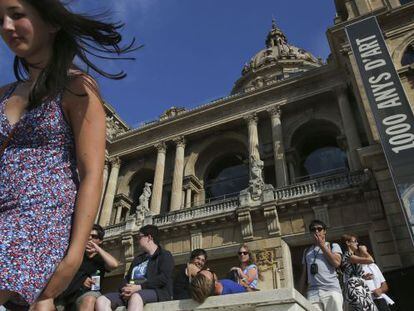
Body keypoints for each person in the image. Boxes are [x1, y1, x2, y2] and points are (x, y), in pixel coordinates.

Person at [0, 0, 135, 309]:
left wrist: (74, 256)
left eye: (17, 15)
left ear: (52, 23)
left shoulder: (77, 87)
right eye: (0, 20)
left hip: (41, 217)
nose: (6, 27)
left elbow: (91, 174)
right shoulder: (4, 93)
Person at [95, 225, 174, 311]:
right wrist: (125, 289)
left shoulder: (164, 255)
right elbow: (127, 278)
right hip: (132, 291)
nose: (138, 240)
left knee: (136, 296)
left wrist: (139, 287)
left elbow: (163, 278)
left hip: (156, 292)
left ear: (149, 237)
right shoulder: (138, 259)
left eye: (139, 237)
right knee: (101, 300)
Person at [55, 225, 120, 311]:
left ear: (100, 241)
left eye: (94, 237)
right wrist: (82, 280)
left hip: (87, 293)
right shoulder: (74, 254)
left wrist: (97, 249)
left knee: (89, 299)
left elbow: (114, 264)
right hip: (67, 293)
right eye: (87, 236)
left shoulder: (100, 258)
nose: (89, 239)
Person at [299, 220, 343, 311]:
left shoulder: (333, 246)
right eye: (313, 229)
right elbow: (304, 274)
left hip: (331, 290)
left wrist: (322, 246)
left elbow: (336, 263)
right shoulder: (306, 251)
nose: (316, 231)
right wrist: (299, 293)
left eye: (319, 229)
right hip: (313, 292)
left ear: (324, 231)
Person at [341, 234, 377, 311]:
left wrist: (364, 277)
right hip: (354, 287)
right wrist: (364, 251)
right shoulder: (348, 256)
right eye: (355, 241)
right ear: (348, 243)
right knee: (362, 307)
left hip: (359, 285)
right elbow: (370, 260)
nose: (357, 243)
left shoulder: (352, 256)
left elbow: (353, 273)